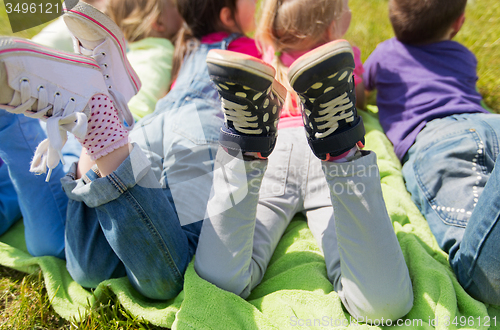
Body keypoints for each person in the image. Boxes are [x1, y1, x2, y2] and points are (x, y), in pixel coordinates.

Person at [0, 0, 270, 300]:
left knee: (89, 271)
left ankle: (98, 111)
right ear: (225, 13)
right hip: (202, 125)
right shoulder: (251, 47)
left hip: (147, 128)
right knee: (170, 275)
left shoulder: (184, 45)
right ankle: (98, 115)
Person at [194, 0, 413, 323]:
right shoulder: (345, 56)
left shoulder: (267, 57)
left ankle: (244, 149)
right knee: (383, 306)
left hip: (274, 147)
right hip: (322, 150)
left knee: (221, 281)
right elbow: (363, 97)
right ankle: (343, 151)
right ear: (332, 27)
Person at [363, 0, 500, 305]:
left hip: (439, 140)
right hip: (490, 123)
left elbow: (360, 93)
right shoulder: (464, 55)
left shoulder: (384, 54)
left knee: (483, 271)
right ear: (459, 23)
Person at [104, 0, 183, 120]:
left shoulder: (129, 57)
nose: (179, 8)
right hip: (134, 123)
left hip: (112, 121)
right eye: (173, 5)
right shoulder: (165, 51)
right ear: (158, 23)